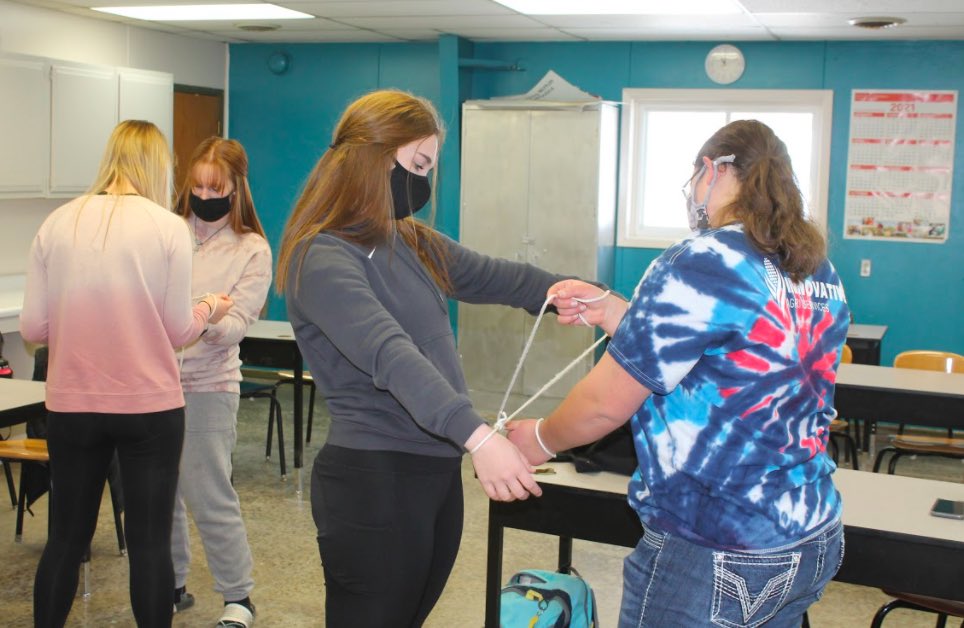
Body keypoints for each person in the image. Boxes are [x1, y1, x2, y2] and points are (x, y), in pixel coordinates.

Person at [276, 89, 605, 627]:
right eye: (418, 164)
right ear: (373, 157)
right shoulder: (322, 255)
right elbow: (391, 354)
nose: (424, 182)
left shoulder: (411, 241)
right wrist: (480, 438)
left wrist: (604, 301)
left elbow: (506, 277)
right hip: (373, 485)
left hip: (431, 477)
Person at [509, 119, 851, 628]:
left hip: (716, 548)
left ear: (711, 170)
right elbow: (735, 357)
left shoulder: (700, 260)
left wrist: (537, 439)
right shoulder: (812, 267)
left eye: (695, 177)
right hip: (810, 534)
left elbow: (605, 403)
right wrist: (616, 311)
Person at [20, 119, 233, 627]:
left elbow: (33, 325)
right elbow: (179, 329)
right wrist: (208, 307)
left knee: (65, 541)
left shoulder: (58, 223)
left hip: (72, 407)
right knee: (149, 543)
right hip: (149, 409)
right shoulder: (167, 228)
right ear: (158, 166)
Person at [170, 137, 272, 628]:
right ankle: (169, 583)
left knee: (208, 492)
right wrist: (206, 306)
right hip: (154, 382)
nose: (205, 194)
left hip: (209, 386)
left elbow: (235, 327)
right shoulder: (168, 233)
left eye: (216, 187)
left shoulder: (252, 248)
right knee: (158, 491)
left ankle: (238, 597)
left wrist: (202, 318)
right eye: (197, 185)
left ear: (235, 189)